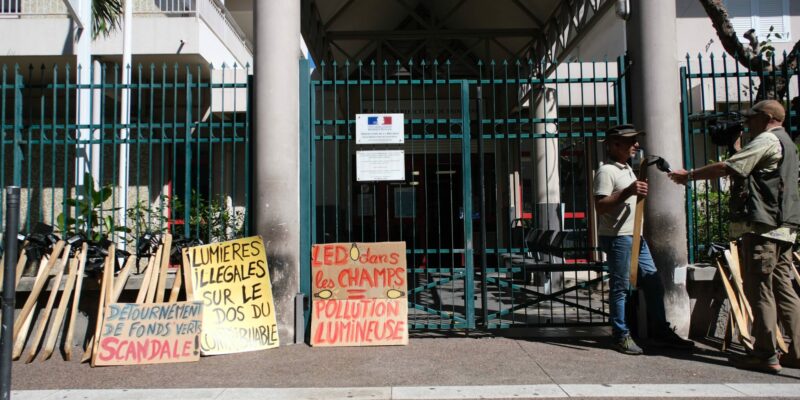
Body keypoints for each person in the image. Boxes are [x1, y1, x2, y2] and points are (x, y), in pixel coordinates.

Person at [669, 99, 800, 374]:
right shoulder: (787, 142)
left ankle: (765, 354)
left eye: (750, 118)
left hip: (763, 228)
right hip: (785, 228)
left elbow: (729, 168)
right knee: (785, 290)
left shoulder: (766, 140)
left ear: (765, 117)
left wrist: (689, 175)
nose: (746, 123)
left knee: (760, 290)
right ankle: (797, 351)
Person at [594, 124, 695, 355]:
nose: (636, 145)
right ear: (615, 144)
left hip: (634, 236)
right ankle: (620, 335)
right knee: (620, 287)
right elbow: (600, 206)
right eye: (631, 141)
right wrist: (628, 191)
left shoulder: (628, 168)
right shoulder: (607, 172)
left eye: (636, 140)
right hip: (618, 238)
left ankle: (660, 331)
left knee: (653, 282)